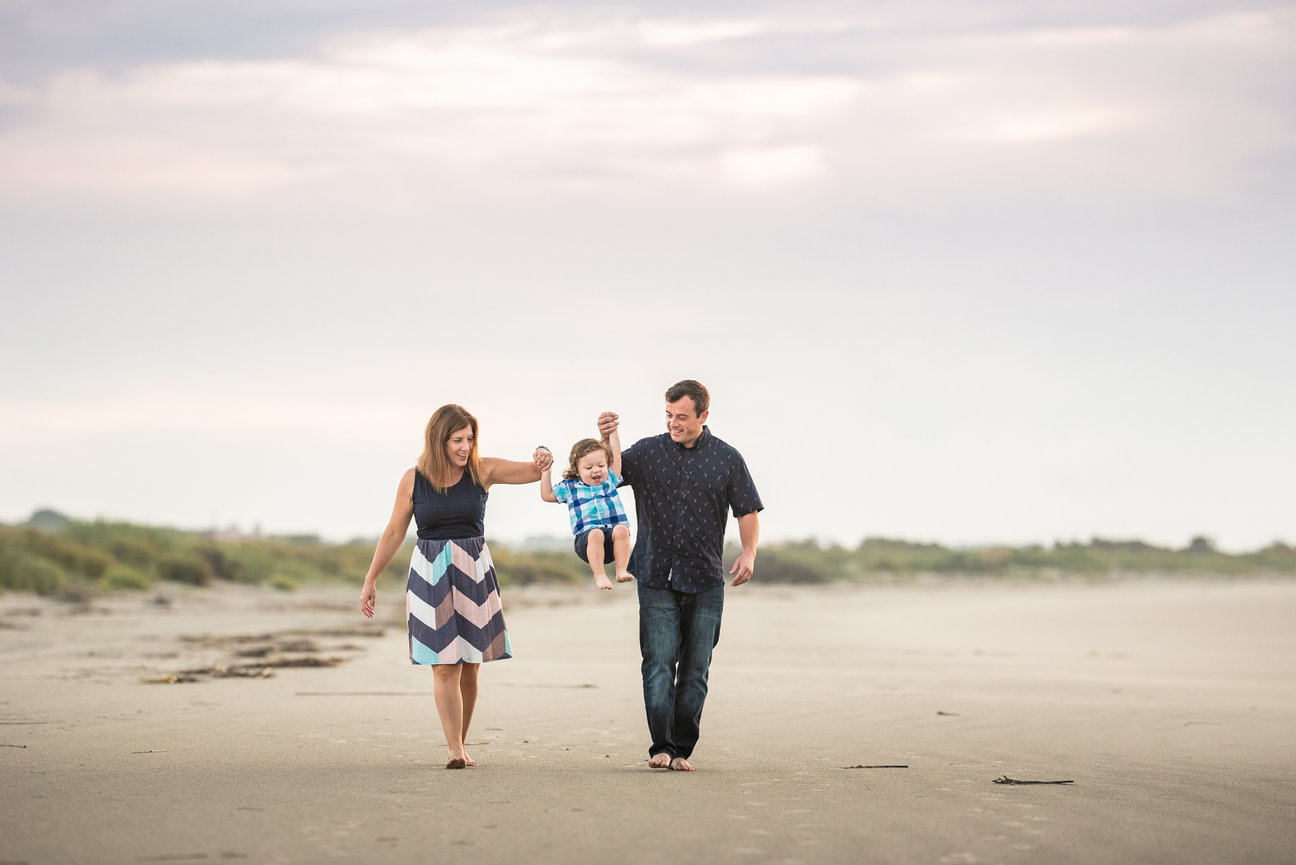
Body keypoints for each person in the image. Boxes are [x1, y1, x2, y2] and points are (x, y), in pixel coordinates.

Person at [359, 403, 553, 769]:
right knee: (444, 664)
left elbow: (534, 470)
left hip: (474, 570)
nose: (466, 446)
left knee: (470, 665)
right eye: (457, 440)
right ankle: (454, 749)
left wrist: (545, 454)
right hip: (429, 573)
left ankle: (461, 742)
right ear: (438, 440)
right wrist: (371, 579)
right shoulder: (413, 479)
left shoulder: (483, 469)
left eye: (470, 438)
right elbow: (394, 531)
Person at [598, 379, 762, 772]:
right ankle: (662, 746)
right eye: (669, 415)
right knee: (658, 662)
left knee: (695, 669)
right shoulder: (649, 451)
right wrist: (606, 438)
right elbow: (608, 476)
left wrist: (750, 553)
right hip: (654, 573)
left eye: (682, 417)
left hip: (705, 578)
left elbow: (747, 511)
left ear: (704, 416)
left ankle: (683, 749)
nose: (674, 423)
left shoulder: (727, 458)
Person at [539, 431, 634, 590]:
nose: (596, 470)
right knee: (595, 533)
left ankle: (621, 570)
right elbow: (547, 494)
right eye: (589, 467)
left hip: (611, 543)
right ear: (577, 470)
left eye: (601, 466)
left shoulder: (610, 480)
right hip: (586, 541)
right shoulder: (570, 487)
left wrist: (613, 432)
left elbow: (616, 455)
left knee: (623, 529)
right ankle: (600, 575)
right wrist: (545, 471)